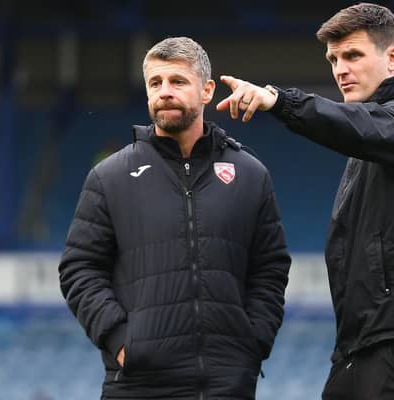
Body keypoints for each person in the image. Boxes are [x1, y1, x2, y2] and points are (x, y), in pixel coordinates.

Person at [216, 3, 394, 399]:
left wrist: (280, 102)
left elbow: (360, 128)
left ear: (392, 57)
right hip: (359, 348)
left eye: (352, 55)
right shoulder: (367, 140)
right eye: (333, 59)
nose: (339, 69)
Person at [59, 37, 291, 400]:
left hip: (226, 384)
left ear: (207, 91)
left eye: (178, 81)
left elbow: (270, 269)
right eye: (156, 83)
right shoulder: (110, 177)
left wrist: (252, 342)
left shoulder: (250, 174)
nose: (165, 91)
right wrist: (122, 342)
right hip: (138, 384)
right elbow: (79, 269)